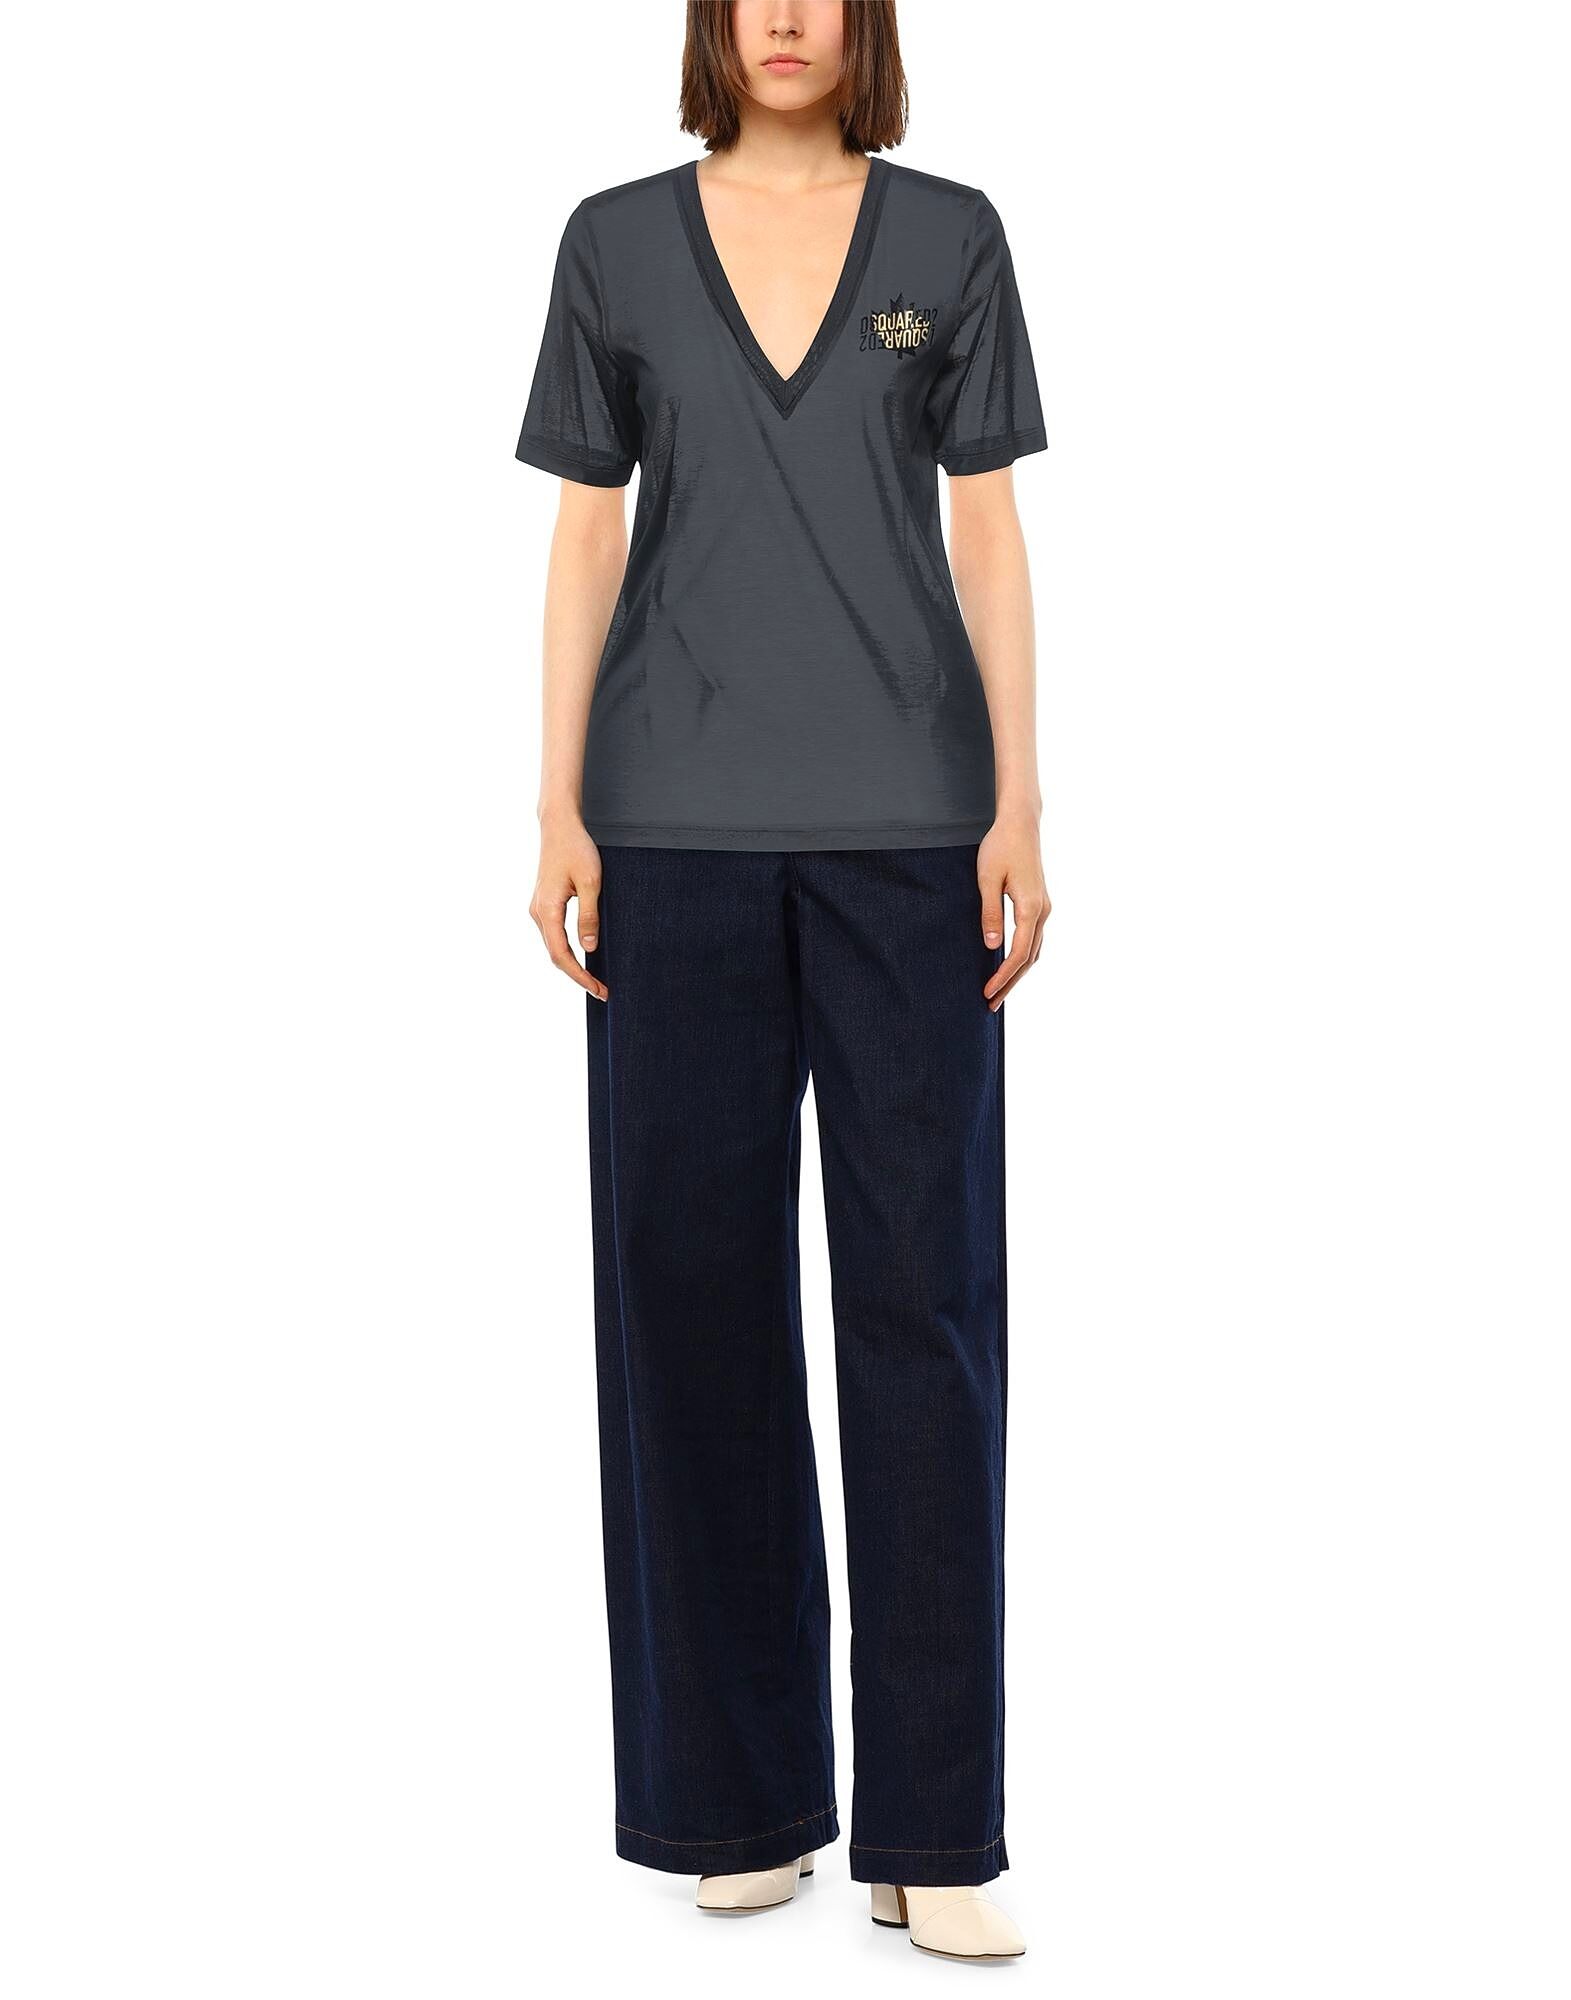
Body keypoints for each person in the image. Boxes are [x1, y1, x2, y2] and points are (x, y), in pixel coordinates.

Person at [516, 0, 1048, 1962]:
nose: (791, 15)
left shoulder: (953, 239)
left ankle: (936, 1832)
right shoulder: (613, 244)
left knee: (929, 1313)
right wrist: (559, 805)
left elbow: (988, 533)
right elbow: (586, 538)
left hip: (914, 841)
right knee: (693, 1309)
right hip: (670, 843)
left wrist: (1019, 799)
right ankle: (736, 1800)